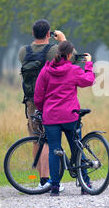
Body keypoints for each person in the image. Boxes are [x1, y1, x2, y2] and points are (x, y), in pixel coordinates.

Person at [18, 19, 77, 191]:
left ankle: (40, 179)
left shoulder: (23, 51)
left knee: (36, 138)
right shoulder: (52, 51)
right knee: (48, 142)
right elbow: (72, 59)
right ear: (48, 33)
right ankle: (46, 180)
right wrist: (63, 40)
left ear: (32, 33)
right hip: (50, 102)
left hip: (31, 101)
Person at [34, 40, 95, 196]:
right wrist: (88, 64)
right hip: (70, 116)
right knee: (77, 148)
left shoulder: (46, 70)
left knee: (54, 150)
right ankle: (85, 183)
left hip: (51, 117)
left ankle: (55, 187)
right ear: (69, 55)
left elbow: (38, 96)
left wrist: (43, 111)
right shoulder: (74, 70)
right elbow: (89, 80)